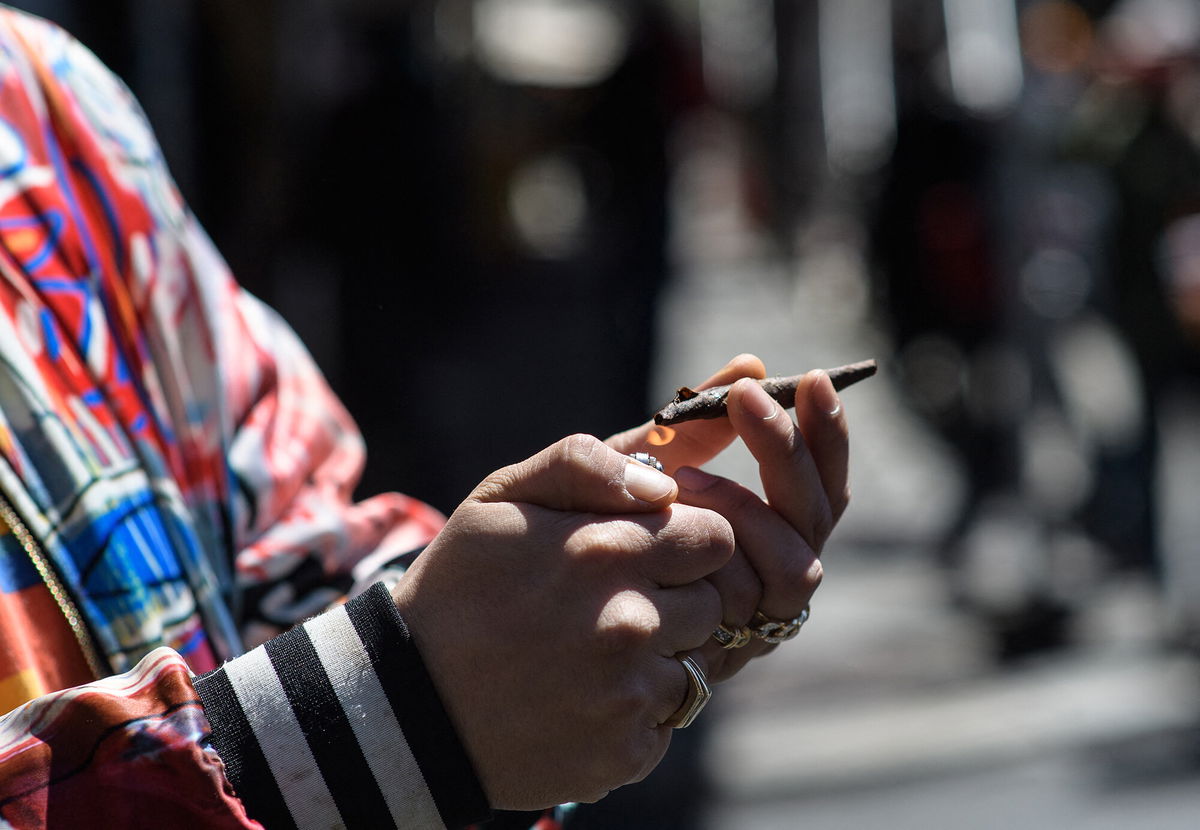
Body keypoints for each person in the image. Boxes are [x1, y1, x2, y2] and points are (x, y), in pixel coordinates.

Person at [0, 7, 850, 829]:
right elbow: (389, 711)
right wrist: (404, 714)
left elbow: (284, 523)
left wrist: (528, 629)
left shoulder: (45, 101)